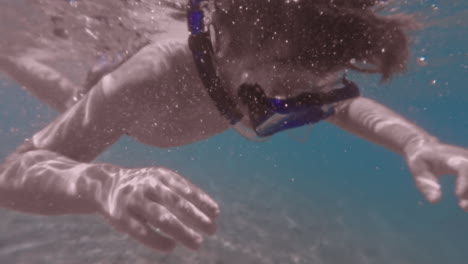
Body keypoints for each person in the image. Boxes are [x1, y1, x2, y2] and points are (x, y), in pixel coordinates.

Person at [1, 0, 467, 253]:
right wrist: (105, 185)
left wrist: (414, 141)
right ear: (224, 50)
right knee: (73, 102)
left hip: (138, 114)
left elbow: (343, 108)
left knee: (72, 104)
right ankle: (9, 53)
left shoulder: (279, 68)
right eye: (286, 89)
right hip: (119, 96)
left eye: (318, 90)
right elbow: (12, 177)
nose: (299, 106)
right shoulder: (149, 78)